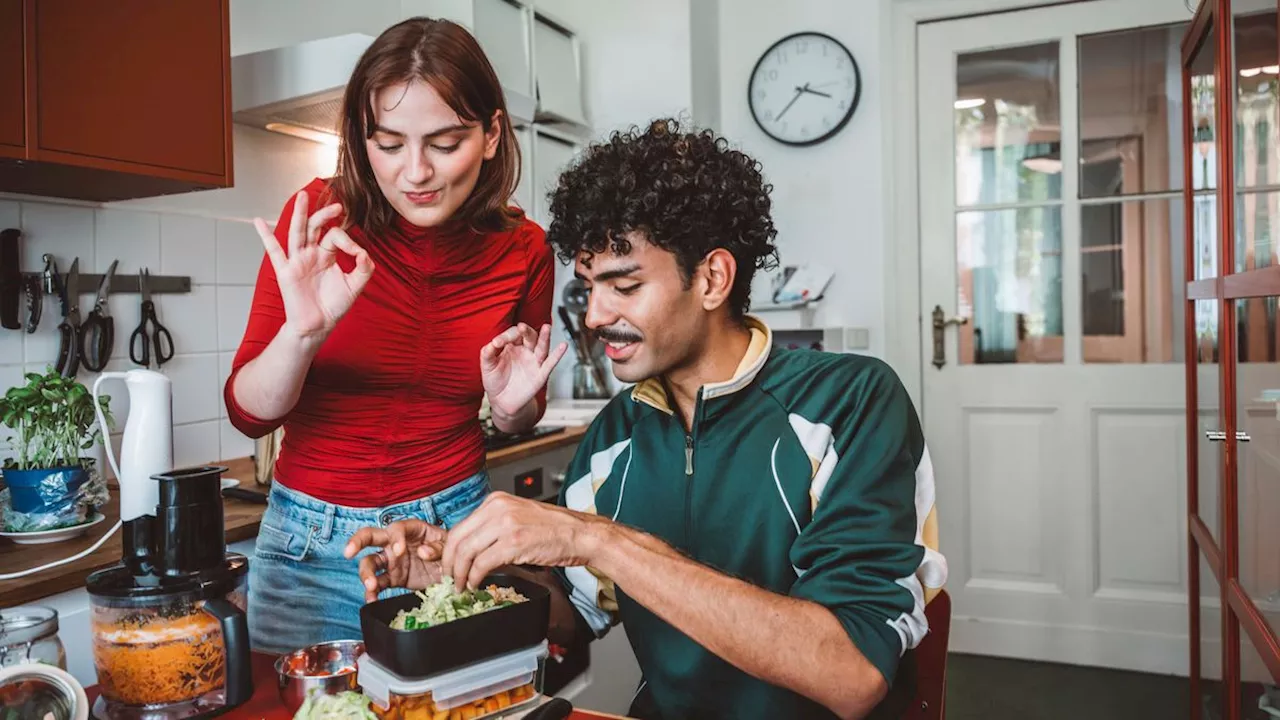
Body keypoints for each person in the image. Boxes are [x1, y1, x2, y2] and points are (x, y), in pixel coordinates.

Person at [345, 119, 947, 720]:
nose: (596, 315)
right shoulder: (618, 432)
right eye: (588, 286)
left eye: (624, 286)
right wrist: (466, 570)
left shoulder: (853, 402)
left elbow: (851, 673)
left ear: (712, 278)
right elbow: (574, 612)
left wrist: (595, 540)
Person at [224, 17, 565, 654]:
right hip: (308, 552)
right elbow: (247, 415)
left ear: (491, 135)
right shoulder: (320, 218)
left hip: (453, 541)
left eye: (445, 142)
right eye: (389, 143)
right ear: (362, 137)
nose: (416, 172)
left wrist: (516, 407)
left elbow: (520, 416)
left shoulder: (524, 250)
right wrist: (301, 334)